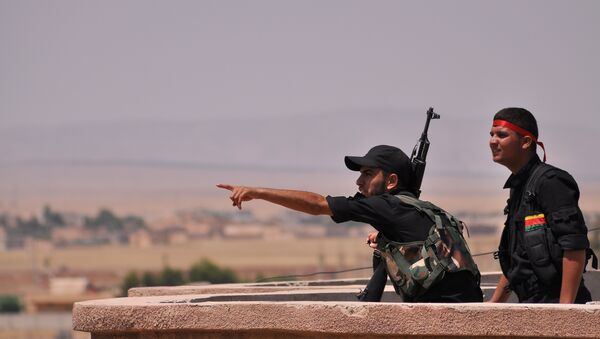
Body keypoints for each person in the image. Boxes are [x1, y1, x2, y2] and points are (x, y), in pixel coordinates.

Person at [218, 144, 483, 302]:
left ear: (391, 182)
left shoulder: (388, 206)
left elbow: (319, 204)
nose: (359, 182)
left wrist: (257, 192)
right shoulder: (422, 209)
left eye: (368, 174)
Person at [487, 107, 594, 304]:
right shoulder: (521, 186)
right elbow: (518, 260)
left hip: (556, 305)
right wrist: (493, 304)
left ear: (526, 142)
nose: (493, 141)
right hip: (533, 306)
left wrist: (564, 312)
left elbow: (575, 247)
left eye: (501, 135)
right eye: (491, 135)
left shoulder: (551, 182)